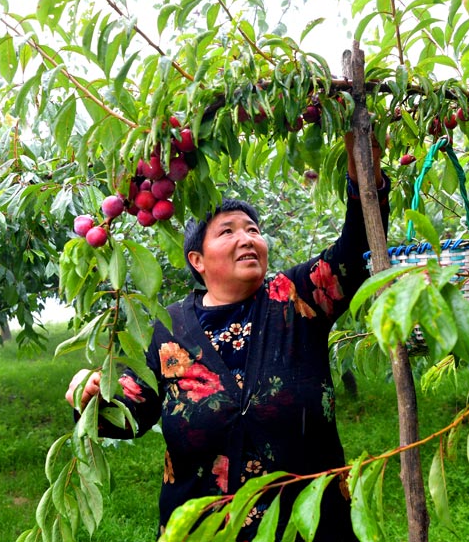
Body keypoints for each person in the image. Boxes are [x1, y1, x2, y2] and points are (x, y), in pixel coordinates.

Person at [66, 130, 390, 541]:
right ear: (197, 260)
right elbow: (129, 414)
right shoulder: (166, 328)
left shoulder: (295, 298)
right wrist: (91, 397)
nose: (247, 238)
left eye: (252, 229)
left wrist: (364, 173)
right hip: (204, 529)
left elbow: (356, 252)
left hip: (309, 526)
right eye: (227, 231)